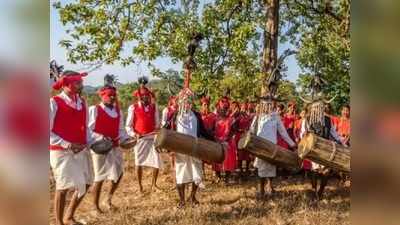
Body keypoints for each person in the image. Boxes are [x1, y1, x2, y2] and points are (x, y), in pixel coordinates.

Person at [50, 70, 93, 225]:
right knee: (63, 187)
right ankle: (59, 222)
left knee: (86, 182)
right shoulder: (54, 102)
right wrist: (67, 144)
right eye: (78, 82)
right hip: (61, 152)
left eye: (81, 82)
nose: (81, 85)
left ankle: (69, 216)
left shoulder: (82, 102)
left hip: (81, 150)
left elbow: (86, 127)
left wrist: (90, 142)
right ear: (67, 84)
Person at [89, 83, 129, 213]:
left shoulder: (117, 111)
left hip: (115, 147)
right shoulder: (94, 110)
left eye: (114, 95)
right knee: (99, 177)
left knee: (118, 174)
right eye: (109, 95)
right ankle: (95, 206)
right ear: (102, 96)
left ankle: (108, 200)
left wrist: (126, 139)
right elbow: (88, 131)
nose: (112, 97)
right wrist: (101, 137)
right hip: (99, 148)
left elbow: (121, 130)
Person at [249, 95, 296, 200]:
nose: (267, 107)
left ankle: (269, 186)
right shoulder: (258, 117)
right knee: (260, 168)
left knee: (271, 168)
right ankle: (260, 190)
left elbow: (283, 132)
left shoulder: (276, 117)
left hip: (272, 147)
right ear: (262, 105)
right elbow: (252, 130)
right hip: (260, 146)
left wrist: (292, 144)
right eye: (265, 104)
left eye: (269, 104)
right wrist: (249, 144)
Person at [173, 89, 213, 208]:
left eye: (189, 101)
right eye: (184, 101)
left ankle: (192, 197)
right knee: (181, 175)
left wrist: (215, 141)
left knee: (197, 173)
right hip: (181, 150)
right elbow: (167, 130)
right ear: (180, 102)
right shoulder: (175, 115)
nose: (187, 104)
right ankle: (182, 200)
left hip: (195, 149)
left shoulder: (196, 115)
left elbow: (203, 132)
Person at [299, 102, 347, 199]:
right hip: (312, 150)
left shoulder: (328, 120)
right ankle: (314, 190)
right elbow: (302, 134)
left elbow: (334, 134)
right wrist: (305, 136)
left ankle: (320, 191)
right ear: (312, 109)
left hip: (326, 149)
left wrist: (342, 143)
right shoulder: (307, 119)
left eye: (320, 107)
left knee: (326, 171)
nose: (318, 109)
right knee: (314, 172)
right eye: (316, 108)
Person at [126, 77, 162, 194]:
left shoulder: (153, 107)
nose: (145, 97)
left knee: (156, 161)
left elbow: (157, 123)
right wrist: (134, 134)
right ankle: (140, 186)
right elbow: (128, 126)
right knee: (139, 162)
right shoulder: (133, 108)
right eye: (143, 96)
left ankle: (154, 185)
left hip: (152, 138)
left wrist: (157, 130)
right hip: (139, 139)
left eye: (147, 95)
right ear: (139, 96)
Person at [213, 97, 237, 184]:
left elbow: (234, 130)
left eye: (226, 109)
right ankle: (218, 176)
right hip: (217, 141)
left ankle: (227, 177)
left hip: (228, 142)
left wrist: (227, 138)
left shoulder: (231, 119)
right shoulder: (215, 118)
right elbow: (212, 129)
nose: (224, 110)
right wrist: (216, 138)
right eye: (222, 109)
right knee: (216, 158)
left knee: (228, 158)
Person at [161, 96, 179, 188]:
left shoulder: (182, 109)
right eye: (175, 99)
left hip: (180, 136)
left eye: (177, 99)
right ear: (171, 100)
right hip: (171, 136)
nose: (176, 101)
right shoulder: (166, 110)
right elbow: (163, 123)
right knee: (172, 159)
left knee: (179, 159)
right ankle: (175, 181)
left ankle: (181, 180)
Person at [236, 102, 253, 180]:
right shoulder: (237, 116)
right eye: (243, 107)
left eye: (245, 107)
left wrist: (247, 131)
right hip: (239, 136)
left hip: (247, 136)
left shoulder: (248, 116)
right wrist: (240, 130)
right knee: (240, 155)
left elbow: (251, 126)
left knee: (247, 155)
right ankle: (239, 172)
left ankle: (246, 171)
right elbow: (233, 127)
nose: (244, 108)